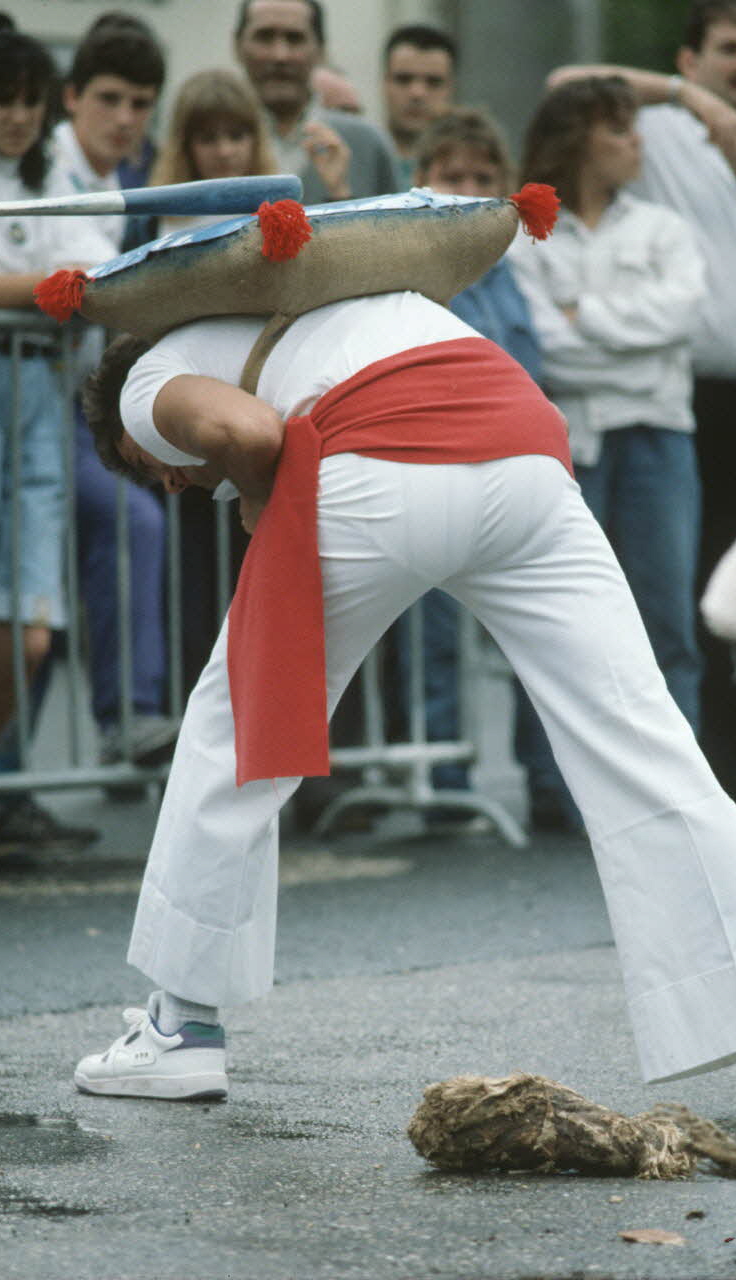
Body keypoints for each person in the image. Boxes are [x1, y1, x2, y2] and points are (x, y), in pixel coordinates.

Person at [72, 280, 736, 1099]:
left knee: (240, 731)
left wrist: (259, 495)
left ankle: (181, 1030)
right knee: (638, 731)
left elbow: (246, 431)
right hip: (525, 446)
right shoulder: (307, 313)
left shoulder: (147, 383)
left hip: (387, 460)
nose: (169, 483)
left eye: (146, 467)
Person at [548, 0, 736, 806]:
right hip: (687, 395)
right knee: (679, 584)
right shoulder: (663, 131)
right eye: (729, 50)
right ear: (691, 59)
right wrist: (688, 103)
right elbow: (567, 80)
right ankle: (682, 763)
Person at [0, 24, 113, 867]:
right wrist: (41, 292)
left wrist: (38, 295)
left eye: (31, 101)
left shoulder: (54, 174)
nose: (17, 116)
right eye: (2, 99)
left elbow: (94, 271)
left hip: (41, 390)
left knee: (32, 629)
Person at [506, 76, 707, 834]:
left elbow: (680, 316)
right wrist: (625, 337)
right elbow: (540, 348)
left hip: (657, 433)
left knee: (664, 620)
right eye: (620, 129)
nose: (637, 143)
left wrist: (582, 316)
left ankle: (674, 794)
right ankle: (553, 790)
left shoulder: (664, 228)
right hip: (567, 437)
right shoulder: (527, 230)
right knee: (557, 620)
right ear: (582, 137)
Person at [396, 107, 542, 817]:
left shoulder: (511, 267)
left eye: (486, 178)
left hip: (511, 469)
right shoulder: (405, 259)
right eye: (452, 175)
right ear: (419, 179)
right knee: (434, 634)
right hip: (430, 466)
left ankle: (548, 780)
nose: (470, 189)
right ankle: (443, 781)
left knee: (531, 628)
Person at [50, 13, 181, 773]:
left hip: (74, 404)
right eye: (109, 98)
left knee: (39, 605)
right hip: (24, 405)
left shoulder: (115, 179)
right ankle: (128, 716)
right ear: (71, 97)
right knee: (132, 525)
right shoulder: (42, 166)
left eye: (141, 103)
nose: (126, 119)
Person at [146, 68, 271, 694]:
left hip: (268, 421)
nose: (225, 151)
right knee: (200, 594)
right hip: (198, 433)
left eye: (237, 135)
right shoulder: (165, 221)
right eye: (209, 138)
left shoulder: (283, 212)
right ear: (186, 146)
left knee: (272, 592)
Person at [234, 0, 399, 202]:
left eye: (295, 39)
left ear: (321, 50)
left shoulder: (367, 145)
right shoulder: (203, 142)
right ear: (237, 46)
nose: (280, 55)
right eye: (265, 37)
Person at [383, 24, 457, 189]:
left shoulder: (474, 175)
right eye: (404, 79)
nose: (417, 93)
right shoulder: (357, 161)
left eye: (433, 82)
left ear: (451, 88)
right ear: (384, 83)